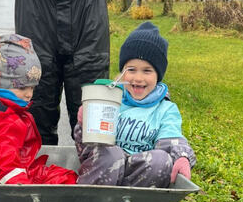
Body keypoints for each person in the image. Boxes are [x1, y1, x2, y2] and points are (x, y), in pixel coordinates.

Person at [10, 0, 110, 145]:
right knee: (35, 124)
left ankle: (94, 175)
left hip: (88, 19)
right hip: (36, 15)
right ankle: (37, 175)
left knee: (94, 128)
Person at [74, 22, 196, 188]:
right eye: (131, 70)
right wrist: (86, 121)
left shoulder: (165, 109)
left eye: (147, 71)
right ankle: (91, 200)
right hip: (103, 167)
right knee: (113, 154)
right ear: (123, 71)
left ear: (158, 75)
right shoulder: (110, 99)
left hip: (137, 177)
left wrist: (182, 156)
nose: (138, 78)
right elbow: (86, 145)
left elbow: (171, 139)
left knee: (161, 160)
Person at [0, 33, 77, 185]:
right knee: (68, 181)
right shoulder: (3, 124)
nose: (29, 94)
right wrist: (25, 196)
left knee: (69, 176)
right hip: (17, 179)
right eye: (23, 88)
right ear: (4, 84)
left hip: (23, 169)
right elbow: (7, 169)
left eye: (33, 88)